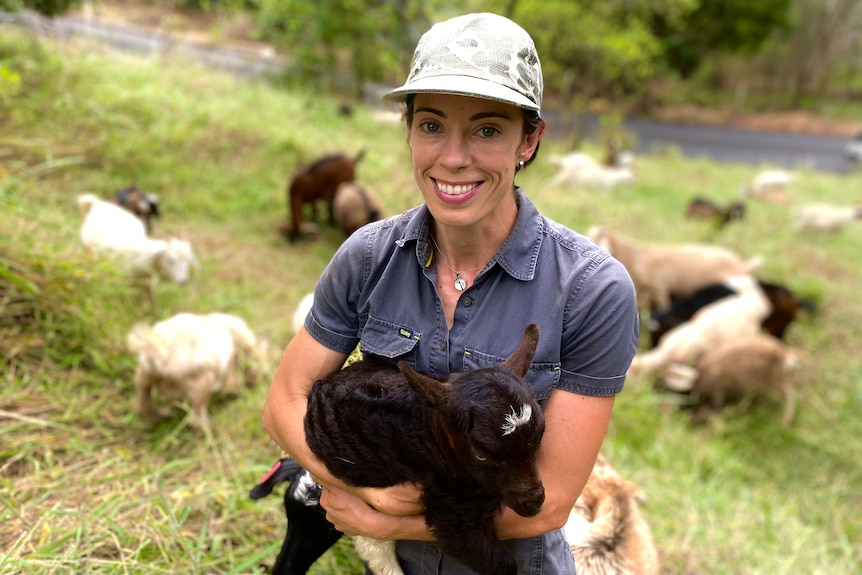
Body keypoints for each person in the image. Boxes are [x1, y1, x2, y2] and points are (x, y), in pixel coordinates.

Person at [263, 11, 639, 575]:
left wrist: (390, 520)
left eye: (487, 129)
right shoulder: (368, 257)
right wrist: (365, 490)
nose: (454, 158)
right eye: (432, 125)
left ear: (529, 140)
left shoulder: (591, 290)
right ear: (410, 131)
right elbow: (283, 404)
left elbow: (549, 502)